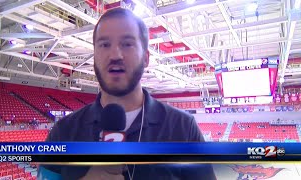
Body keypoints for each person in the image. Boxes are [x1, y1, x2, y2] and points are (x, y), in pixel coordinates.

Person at [38, 7, 216, 180]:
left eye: (127, 44)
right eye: (105, 44)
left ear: (146, 58)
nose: (115, 54)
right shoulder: (63, 132)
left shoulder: (183, 128)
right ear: (94, 57)